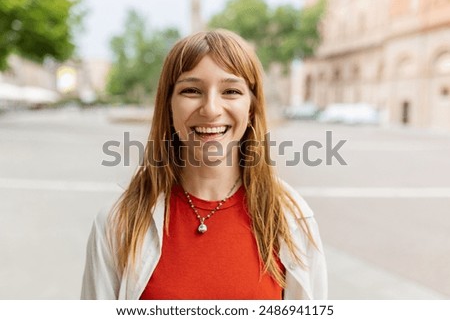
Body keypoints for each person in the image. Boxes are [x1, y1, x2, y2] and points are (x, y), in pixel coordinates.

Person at [81, 29, 327, 300]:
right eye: (191, 90)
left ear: (252, 107)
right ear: (168, 105)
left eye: (231, 91)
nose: (211, 109)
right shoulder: (118, 223)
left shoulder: (293, 219)